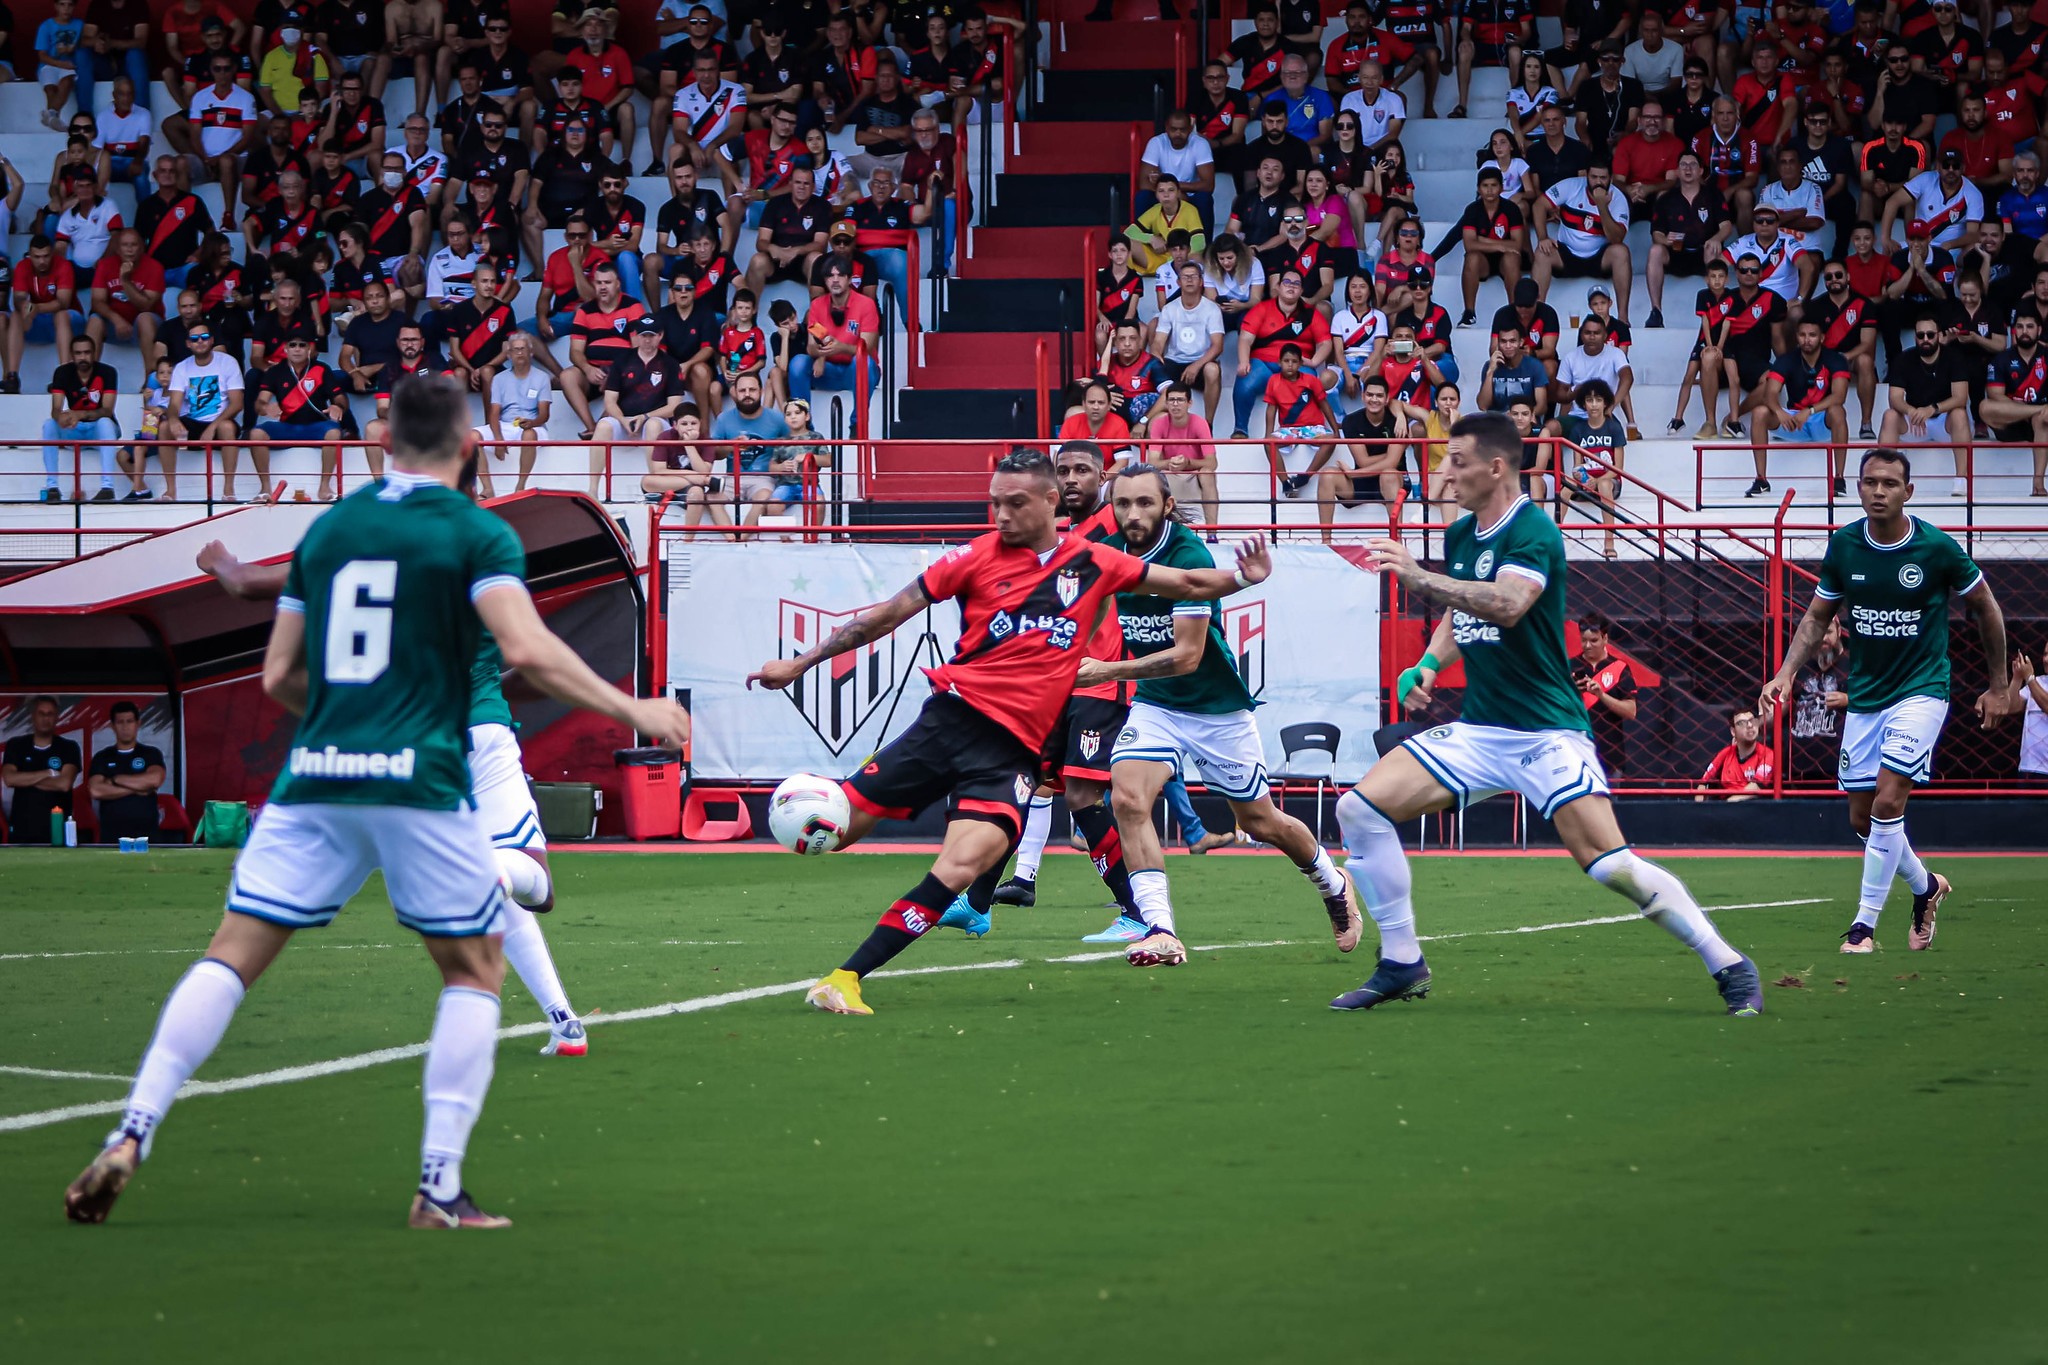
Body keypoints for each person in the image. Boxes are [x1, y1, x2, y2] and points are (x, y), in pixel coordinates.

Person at [63, 375, 690, 1229]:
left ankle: (132, 1129)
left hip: (317, 767)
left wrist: (341, 721)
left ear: (382, 440)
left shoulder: (333, 527)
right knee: (472, 970)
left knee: (232, 953)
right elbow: (526, 647)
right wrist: (633, 708)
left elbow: (281, 674)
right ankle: (438, 1187)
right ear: (469, 446)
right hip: (418, 774)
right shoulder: (477, 532)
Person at [747, 449, 1270, 1015]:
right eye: (994, 502)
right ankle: (810, 808)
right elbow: (888, 613)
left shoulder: (1094, 561)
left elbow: (1188, 582)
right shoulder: (972, 557)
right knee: (837, 830)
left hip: (1014, 754)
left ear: (1049, 502)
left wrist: (1243, 576)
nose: (1000, 515)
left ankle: (844, 978)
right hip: (950, 724)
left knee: (961, 866)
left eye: (1014, 503)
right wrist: (800, 663)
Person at [1332, 411, 1762, 1014]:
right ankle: (1402, 962)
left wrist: (1419, 578)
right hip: (1480, 732)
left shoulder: (1534, 530)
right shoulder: (1461, 535)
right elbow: (1465, 611)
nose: (1444, 473)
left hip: (1545, 735)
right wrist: (1429, 663)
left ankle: (1729, 964)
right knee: (1359, 809)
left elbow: (1506, 603)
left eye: (1457, 461)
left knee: (1611, 866)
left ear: (1497, 467)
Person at [1073, 465, 1355, 958]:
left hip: (1215, 711)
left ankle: (1334, 884)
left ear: (1167, 505)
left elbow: (1186, 657)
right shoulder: (1110, 553)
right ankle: (1159, 929)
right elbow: (1094, 610)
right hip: (1157, 705)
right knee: (1128, 800)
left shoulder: (1186, 551)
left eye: (1144, 503)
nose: (1132, 514)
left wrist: (1105, 671)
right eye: (1122, 504)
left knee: (1263, 822)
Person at [1760, 448, 2014, 955]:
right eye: (1870, 482)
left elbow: (1985, 607)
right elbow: (1814, 619)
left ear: (1908, 492)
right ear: (1858, 487)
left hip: (1921, 690)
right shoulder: (1845, 546)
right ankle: (1925, 888)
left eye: (1890, 484)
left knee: (1888, 800)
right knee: (1861, 817)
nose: (1879, 491)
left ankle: (1863, 926)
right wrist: (1786, 673)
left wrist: (1999, 685)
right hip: (1867, 696)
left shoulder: (1936, 549)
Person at [1749, 317, 1850, 494]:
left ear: (1822, 338)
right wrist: (1779, 412)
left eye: (1812, 335)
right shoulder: (1786, 360)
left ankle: (1839, 478)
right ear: (1797, 337)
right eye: (1802, 335)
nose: (1807, 339)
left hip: (1820, 419)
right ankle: (1761, 479)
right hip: (1792, 421)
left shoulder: (1835, 359)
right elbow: (1770, 394)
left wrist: (1809, 411)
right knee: (1759, 412)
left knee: (1837, 411)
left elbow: (1839, 396)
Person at [1878, 318, 1974, 497]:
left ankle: (1962, 480)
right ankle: (1885, 478)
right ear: (1915, 337)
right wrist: (1910, 410)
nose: (1925, 339)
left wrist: (1933, 409)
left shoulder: (1954, 357)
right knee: (1890, 415)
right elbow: (1895, 398)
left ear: (1938, 335)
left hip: (1943, 421)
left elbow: (1960, 398)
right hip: (1915, 421)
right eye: (1920, 335)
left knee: (1960, 414)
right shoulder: (1904, 359)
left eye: (1930, 335)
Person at [248, 334, 346, 501]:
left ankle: (324, 487)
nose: (297, 349)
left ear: (309, 349)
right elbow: (260, 402)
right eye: (293, 345)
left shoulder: (322, 369)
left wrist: (338, 406)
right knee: (256, 434)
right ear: (285, 349)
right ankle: (265, 489)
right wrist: (265, 407)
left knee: (334, 433)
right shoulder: (275, 371)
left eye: (302, 345)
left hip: (317, 426)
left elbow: (340, 397)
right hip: (287, 426)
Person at [1532, 163, 1633, 320]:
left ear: (1610, 179)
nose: (1598, 182)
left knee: (1621, 251)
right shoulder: (1571, 185)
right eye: (1593, 177)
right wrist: (1542, 237)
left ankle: (1623, 318)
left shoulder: (1617, 197)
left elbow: (1616, 239)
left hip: (1599, 258)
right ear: (1586, 175)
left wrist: (1601, 206)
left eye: (1603, 178)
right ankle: (1537, 316)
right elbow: (1539, 205)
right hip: (1566, 254)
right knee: (1542, 252)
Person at [162, 317, 241, 501]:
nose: (200, 341)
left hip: (219, 422)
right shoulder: (182, 367)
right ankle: (170, 490)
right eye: (195, 339)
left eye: (204, 337)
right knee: (165, 427)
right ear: (188, 344)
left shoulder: (227, 362)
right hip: (193, 422)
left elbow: (237, 404)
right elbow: (174, 404)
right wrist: (173, 419)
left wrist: (212, 427)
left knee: (227, 428)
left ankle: (229, 490)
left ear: (212, 340)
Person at [42, 334, 120, 503]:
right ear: (72, 355)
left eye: (86, 352)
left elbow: (107, 410)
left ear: (94, 353)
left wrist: (79, 414)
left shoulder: (107, 372)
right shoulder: (62, 372)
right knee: (49, 425)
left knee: (105, 423)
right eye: (78, 353)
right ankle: (52, 487)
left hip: (97, 430)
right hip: (74, 429)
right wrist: (61, 417)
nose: (82, 357)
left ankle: (107, 488)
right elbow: (55, 409)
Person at [478, 331, 551, 497]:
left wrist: (531, 423)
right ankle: (488, 489)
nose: (519, 352)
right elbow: (494, 412)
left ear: (530, 353)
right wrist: (498, 440)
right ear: (508, 354)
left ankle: (520, 487)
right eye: (515, 349)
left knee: (529, 434)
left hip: (533, 424)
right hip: (506, 424)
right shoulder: (499, 379)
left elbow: (544, 414)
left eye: (523, 349)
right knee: (471, 437)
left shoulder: (542, 377)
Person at [4, 695, 82, 842]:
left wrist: (25, 780)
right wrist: (49, 773)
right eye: (41, 713)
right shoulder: (16, 745)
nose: (45, 718)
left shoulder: (68, 747)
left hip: (57, 828)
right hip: (22, 827)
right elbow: (9, 779)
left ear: (57, 717)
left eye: (50, 714)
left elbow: (64, 784)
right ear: (33, 716)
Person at [1570, 611, 1638, 778]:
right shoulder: (1568, 666)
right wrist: (1570, 691)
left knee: (1610, 804)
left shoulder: (1620, 667)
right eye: (1584, 640)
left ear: (1605, 639)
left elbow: (1631, 712)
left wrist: (1601, 695)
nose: (1587, 646)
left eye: (1593, 640)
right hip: (1575, 754)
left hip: (1610, 757)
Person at [86, 699, 164, 841]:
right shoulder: (102, 757)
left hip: (147, 835)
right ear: (112, 726)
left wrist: (115, 779)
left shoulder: (151, 753)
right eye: (120, 722)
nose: (125, 727)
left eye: (129, 721)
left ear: (137, 724)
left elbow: (155, 779)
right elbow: (95, 790)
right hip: (112, 835)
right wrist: (137, 788)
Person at [1696, 708, 1775, 801]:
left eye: (1752, 721)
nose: (1750, 725)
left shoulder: (1768, 754)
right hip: (1724, 807)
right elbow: (1703, 784)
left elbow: (1757, 787)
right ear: (1733, 732)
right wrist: (1699, 807)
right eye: (1742, 723)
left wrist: (1728, 804)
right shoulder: (1725, 753)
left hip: (1752, 806)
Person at [2013, 644, 2048, 778]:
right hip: (2029, 768)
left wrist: (2029, 678)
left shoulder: (2033, 682)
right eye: (2045, 654)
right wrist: (2017, 678)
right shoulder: (2038, 682)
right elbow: (2012, 707)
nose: (2046, 659)